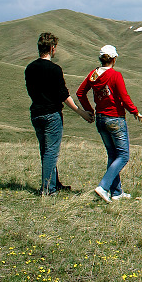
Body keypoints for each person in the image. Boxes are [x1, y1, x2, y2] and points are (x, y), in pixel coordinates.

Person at [25, 32, 95, 195]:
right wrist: (81, 112)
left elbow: (31, 90)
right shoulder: (54, 69)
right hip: (51, 114)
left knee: (45, 150)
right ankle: (48, 189)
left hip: (36, 113)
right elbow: (63, 95)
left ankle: (54, 183)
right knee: (51, 151)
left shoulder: (30, 68)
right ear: (52, 48)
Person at [76, 44, 142, 203]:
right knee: (123, 155)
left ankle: (117, 192)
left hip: (100, 118)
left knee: (112, 155)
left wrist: (89, 110)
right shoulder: (115, 75)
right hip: (115, 118)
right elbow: (123, 97)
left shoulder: (93, 75)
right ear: (114, 59)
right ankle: (103, 187)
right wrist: (135, 111)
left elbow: (80, 93)